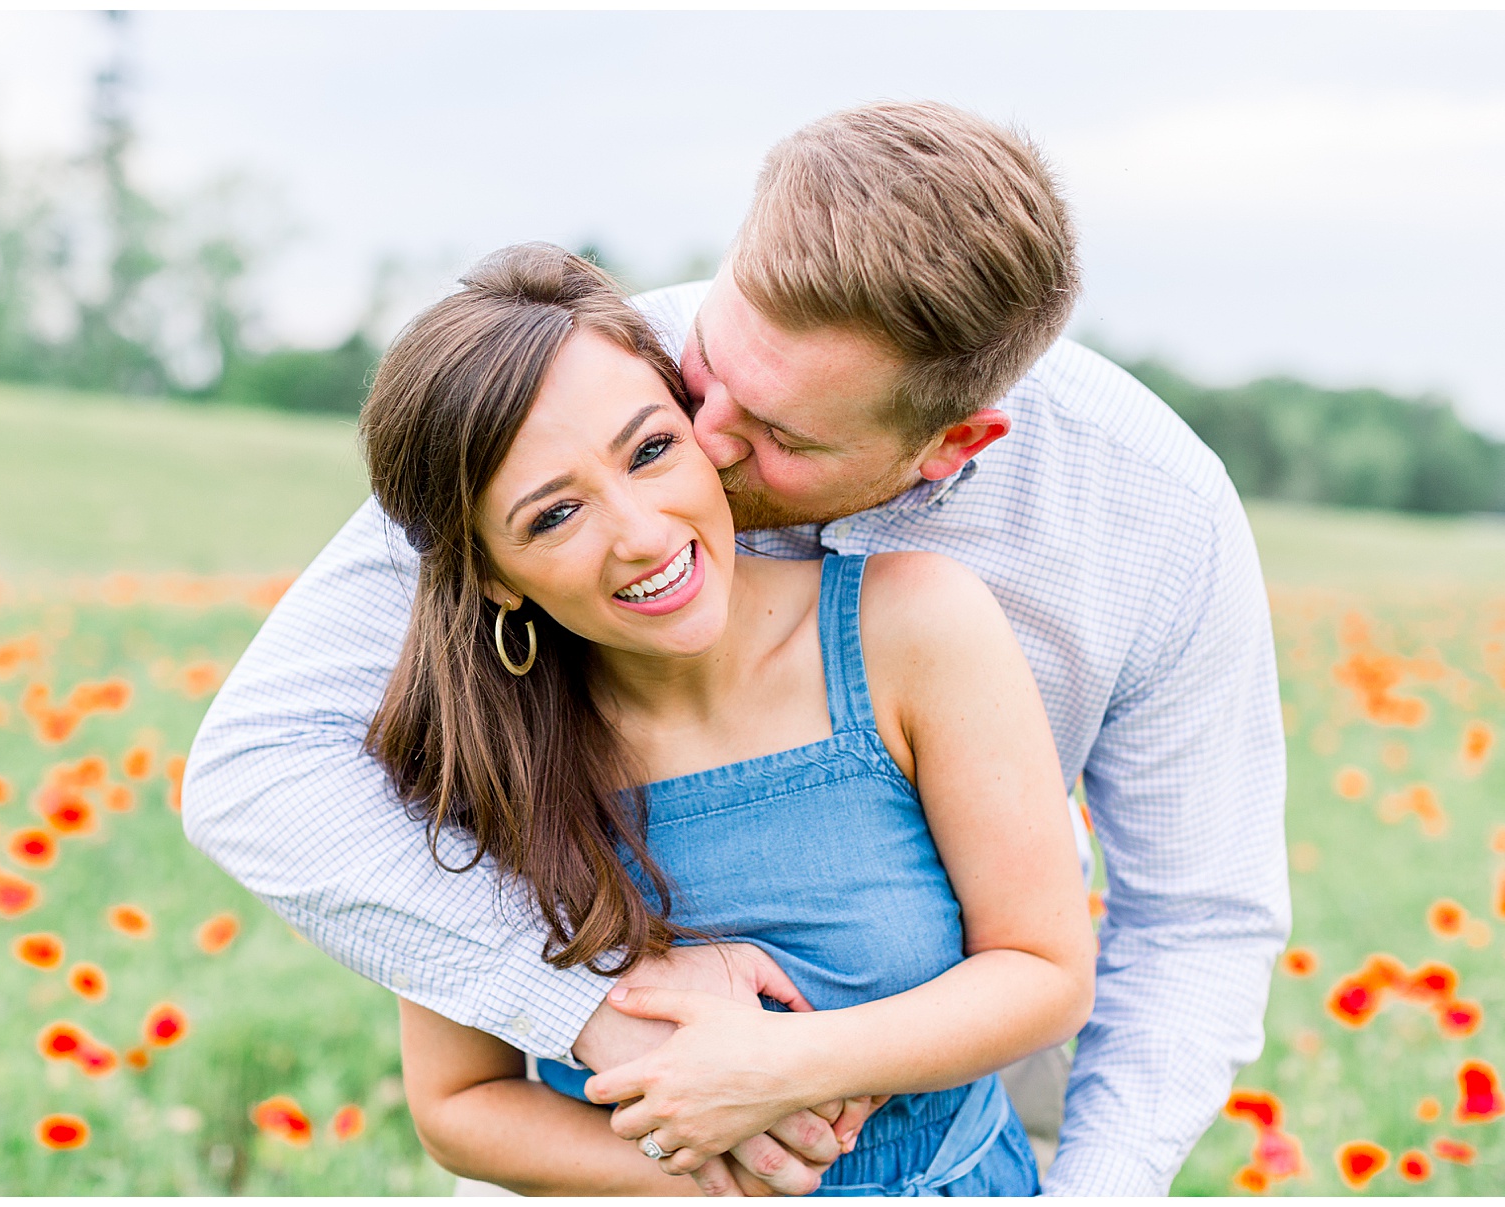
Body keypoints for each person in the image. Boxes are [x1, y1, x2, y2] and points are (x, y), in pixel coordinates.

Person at [183, 100, 1290, 1196]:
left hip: (976, 1069)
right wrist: (603, 1011)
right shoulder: (584, 385)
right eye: (707, 365)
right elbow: (257, 767)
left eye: (779, 436)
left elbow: (1191, 925)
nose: (701, 445)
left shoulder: (1147, 517)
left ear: (952, 446)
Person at [360, 242, 1093, 1195]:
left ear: (699, 423)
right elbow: (459, 1104)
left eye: (651, 450)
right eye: (554, 515)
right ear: (493, 574)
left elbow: (1043, 970)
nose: (643, 533)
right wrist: (721, 1178)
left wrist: (782, 1068)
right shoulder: (481, 759)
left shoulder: (912, 626)